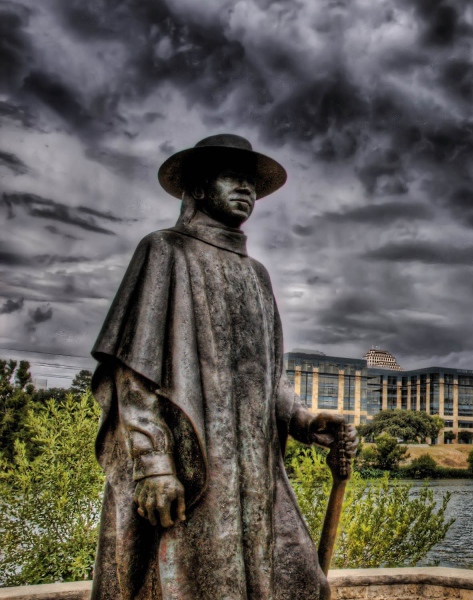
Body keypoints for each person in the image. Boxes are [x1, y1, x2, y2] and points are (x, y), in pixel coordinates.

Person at [90, 134, 354, 600]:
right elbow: (133, 375)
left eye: (252, 182)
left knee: (300, 580)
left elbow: (267, 378)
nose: (247, 190)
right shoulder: (163, 252)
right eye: (233, 177)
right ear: (196, 188)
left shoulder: (256, 275)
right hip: (194, 471)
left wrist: (305, 420)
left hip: (258, 477)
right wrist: (153, 464)